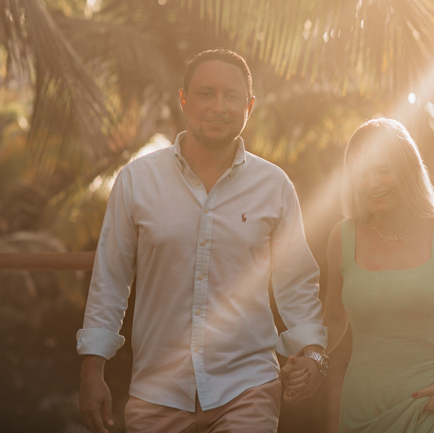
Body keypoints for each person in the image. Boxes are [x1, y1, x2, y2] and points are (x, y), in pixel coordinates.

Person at [76, 49, 329, 433]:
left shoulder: (274, 186)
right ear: (183, 99)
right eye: (205, 93)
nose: (218, 106)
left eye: (231, 96)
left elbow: (295, 282)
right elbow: (110, 280)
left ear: (249, 106)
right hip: (157, 391)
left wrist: (312, 352)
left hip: (249, 388)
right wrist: (92, 370)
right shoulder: (137, 181)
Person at [285, 118, 434, 432]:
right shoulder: (342, 238)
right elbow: (334, 319)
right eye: (362, 174)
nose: (372, 183)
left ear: (407, 169)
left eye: (383, 170)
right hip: (365, 409)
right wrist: (313, 360)